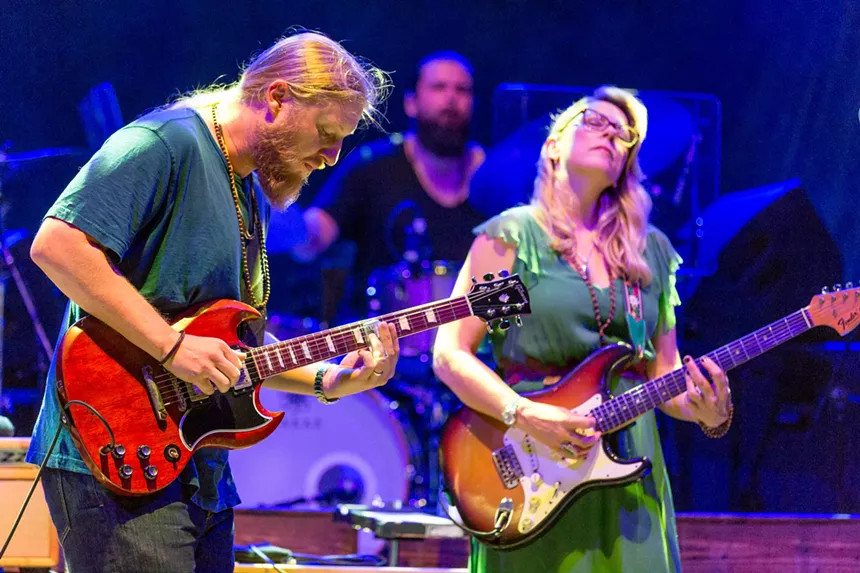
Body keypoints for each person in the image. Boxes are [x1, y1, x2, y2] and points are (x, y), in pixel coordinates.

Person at [25, 31, 400, 573]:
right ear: (277, 98)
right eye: (326, 133)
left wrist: (330, 380)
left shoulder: (251, 186)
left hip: (196, 471)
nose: (333, 156)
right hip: (114, 450)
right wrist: (173, 347)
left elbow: (229, 348)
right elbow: (56, 246)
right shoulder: (164, 142)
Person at [433, 86, 733, 572]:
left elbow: (665, 374)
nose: (611, 136)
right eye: (595, 122)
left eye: (624, 135)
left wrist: (707, 412)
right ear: (553, 145)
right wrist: (525, 414)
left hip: (629, 466)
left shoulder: (650, 251)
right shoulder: (510, 237)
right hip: (530, 462)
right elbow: (450, 353)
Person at [291, 50, 488, 321]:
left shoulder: (497, 174)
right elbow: (312, 238)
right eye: (438, 87)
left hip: (475, 345)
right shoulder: (371, 166)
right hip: (379, 344)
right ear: (411, 102)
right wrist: (280, 213)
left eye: (462, 89)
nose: (451, 98)